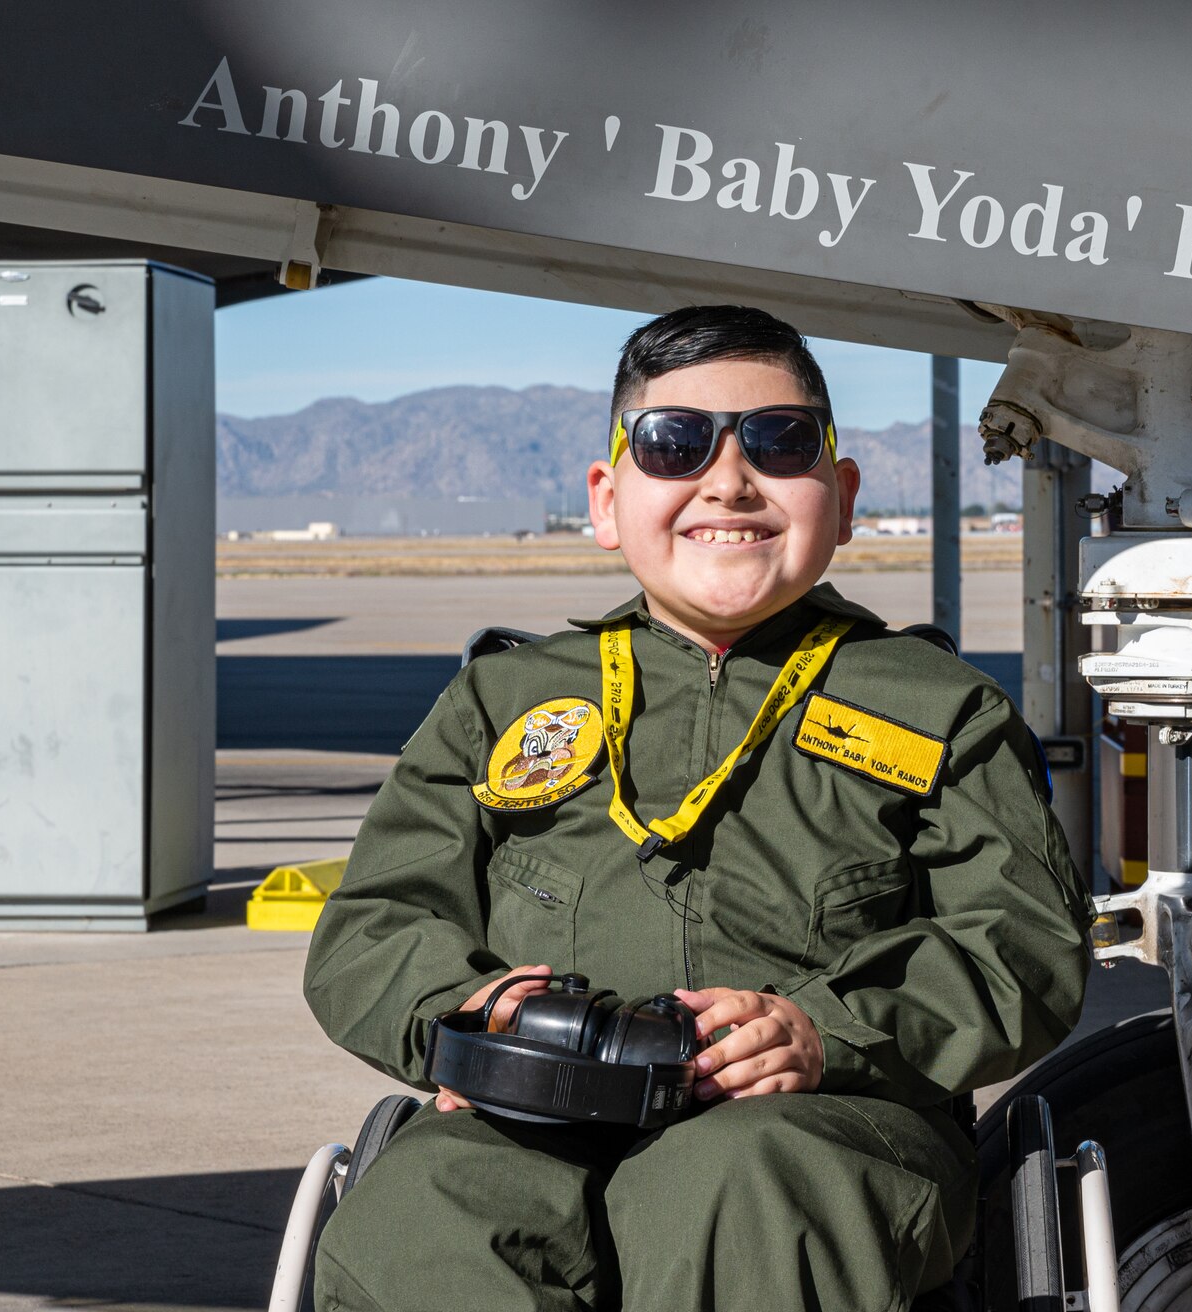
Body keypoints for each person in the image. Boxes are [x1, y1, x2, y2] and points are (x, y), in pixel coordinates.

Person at [303, 305, 1092, 1311]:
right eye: (674, 445)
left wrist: (827, 1031)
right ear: (606, 498)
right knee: (432, 1210)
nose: (727, 481)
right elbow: (372, 928)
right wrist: (463, 1020)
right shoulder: (501, 702)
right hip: (534, 1110)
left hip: (819, 1127)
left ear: (841, 495)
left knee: (734, 1184)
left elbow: (1022, 944)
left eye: (780, 442)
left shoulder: (937, 708)